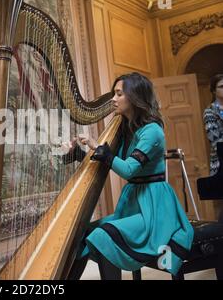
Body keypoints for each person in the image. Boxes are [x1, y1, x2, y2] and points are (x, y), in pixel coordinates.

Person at [66, 72, 194, 280]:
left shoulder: (152, 131)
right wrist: (77, 152)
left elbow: (127, 169)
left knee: (103, 234)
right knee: (82, 234)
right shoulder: (126, 129)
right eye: (113, 94)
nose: (113, 99)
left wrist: (97, 146)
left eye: (118, 94)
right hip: (133, 203)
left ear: (134, 97)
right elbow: (109, 162)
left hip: (154, 208)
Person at [203, 74, 223, 176]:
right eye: (221, 87)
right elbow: (214, 139)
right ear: (214, 91)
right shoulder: (210, 111)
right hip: (220, 162)